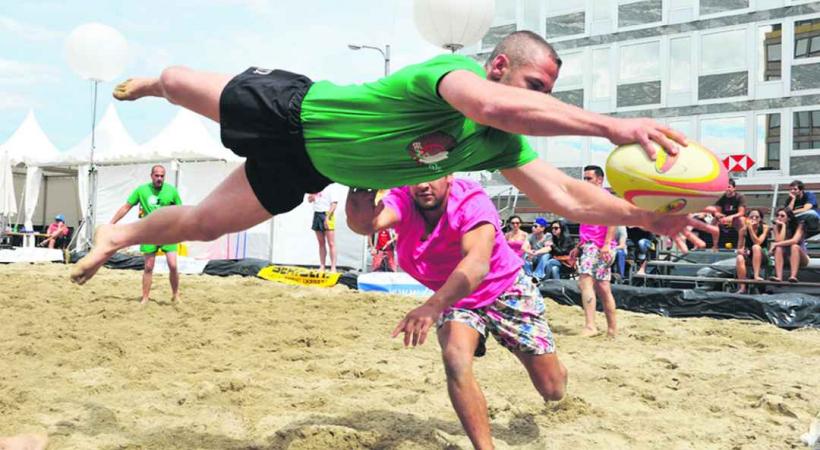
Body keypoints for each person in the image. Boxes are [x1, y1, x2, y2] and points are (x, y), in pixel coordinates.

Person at [72, 30, 707, 286]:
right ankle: (156, 82)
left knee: (204, 224)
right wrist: (608, 125)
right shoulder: (455, 75)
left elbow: (563, 196)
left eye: (548, 92)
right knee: (182, 85)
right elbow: (496, 108)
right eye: (536, 86)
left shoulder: (495, 144)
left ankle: (115, 234)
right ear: (498, 66)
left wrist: (646, 218)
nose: (541, 99)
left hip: (309, 168)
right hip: (296, 108)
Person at [350, 175, 567, 450]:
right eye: (415, 179)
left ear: (449, 175)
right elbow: (366, 224)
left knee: (553, 389)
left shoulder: (470, 200)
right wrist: (357, 192)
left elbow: (476, 265)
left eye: (431, 177)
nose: (423, 185)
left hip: (505, 290)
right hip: (456, 298)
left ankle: (555, 370)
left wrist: (431, 307)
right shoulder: (404, 199)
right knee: (455, 359)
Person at [108, 165, 182, 304]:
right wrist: (112, 223)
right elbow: (126, 207)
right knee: (148, 266)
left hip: (169, 233)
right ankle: (145, 298)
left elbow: (180, 210)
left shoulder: (171, 191)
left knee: (173, 265)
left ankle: (176, 295)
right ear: (151, 176)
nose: (159, 178)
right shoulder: (142, 190)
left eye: (162, 176)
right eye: (157, 175)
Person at [569, 165, 618, 337]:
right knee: (603, 288)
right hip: (591, 245)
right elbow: (588, 227)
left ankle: (590, 326)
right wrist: (578, 246)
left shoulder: (604, 197)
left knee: (585, 282)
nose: (585, 181)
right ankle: (612, 329)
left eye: (589, 178)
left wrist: (606, 244)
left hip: (598, 246)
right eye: (585, 178)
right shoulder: (589, 198)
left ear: (599, 179)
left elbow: (613, 221)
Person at [770, 207, 810, 283]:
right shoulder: (776, 226)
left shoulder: (800, 225)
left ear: (789, 218)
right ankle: (779, 277)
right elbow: (779, 241)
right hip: (785, 257)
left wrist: (775, 244)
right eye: (778, 215)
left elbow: (794, 240)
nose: (779, 217)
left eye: (782, 216)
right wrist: (783, 227)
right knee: (778, 248)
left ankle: (793, 276)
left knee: (794, 246)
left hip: (801, 258)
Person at [735, 209, 769, 294]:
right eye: (751, 217)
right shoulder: (743, 230)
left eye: (757, 217)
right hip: (750, 254)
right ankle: (742, 287)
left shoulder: (765, 227)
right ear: (747, 219)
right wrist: (741, 251)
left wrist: (750, 229)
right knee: (739, 258)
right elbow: (739, 248)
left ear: (760, 219)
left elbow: (758, 242)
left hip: (762, 254)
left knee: (756, 247)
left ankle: (756, 275)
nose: (754, 218)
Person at [707, 179, 746, 251]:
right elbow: (717, 211)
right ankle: (715, 246)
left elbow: (741, 212)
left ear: (734, 188)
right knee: (714, 221)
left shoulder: (740, 197)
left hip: (735, 219)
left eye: (729, 187)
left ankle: (740, 247)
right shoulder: (721, 197)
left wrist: (731, 217)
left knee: (742, 220)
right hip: (724, 219)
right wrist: (720, 216)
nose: (726, 189)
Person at [307, 185, 337, 272]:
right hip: (317, 213)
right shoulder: (315, 187)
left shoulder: (331, 188)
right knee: (321, 243)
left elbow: (334, 204)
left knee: (331, 243)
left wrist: (327, 218)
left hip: (327, 213)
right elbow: (309, 200)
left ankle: (333, 267)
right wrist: (312, 197)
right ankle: (322, 266)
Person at [523, 217, 553, 281]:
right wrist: (530, 252)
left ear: (542, 228)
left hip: (543, 257)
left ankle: (537, 275)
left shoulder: (548, 236)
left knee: (546, 255)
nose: (533, 228)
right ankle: (529, 275)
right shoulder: (531, 236)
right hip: (534, 256)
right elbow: (524, 247)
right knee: (525, 255)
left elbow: (548, 248)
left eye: (535, 226)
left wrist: (536, 252)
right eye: (533, 226)